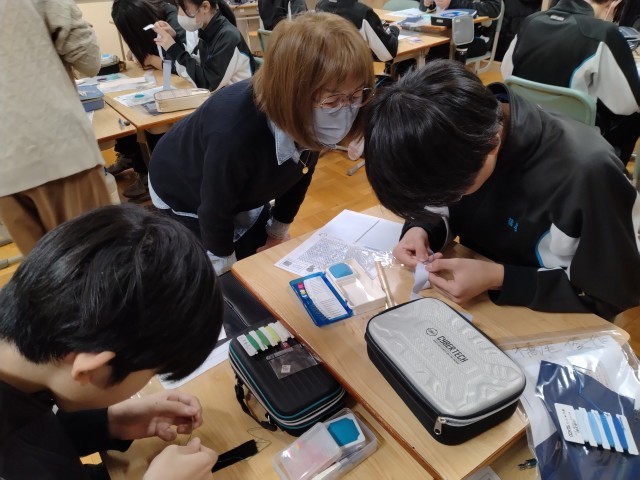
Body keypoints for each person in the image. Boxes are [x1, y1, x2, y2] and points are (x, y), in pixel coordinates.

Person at [364, 60, 640, 320]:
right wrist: (421, 229)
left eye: (452, 193)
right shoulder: (463, 133)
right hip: (474, 303)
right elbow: (442, 200)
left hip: (551, 318)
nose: (445, 200)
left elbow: (611, 293)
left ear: (492, 145)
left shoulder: (589, 174)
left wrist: (500, 278)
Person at [0, 205, 222, 479]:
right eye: (153, 373)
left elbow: (36, 436)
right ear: (91, 368)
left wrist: (108, 423)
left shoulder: (24, 370)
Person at [149, 12, 375, 275]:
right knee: (215, 269)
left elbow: (300, 172)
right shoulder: (234, 133)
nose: (345, 111)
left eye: (355, 97)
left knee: (263, 256)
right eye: (332, 101)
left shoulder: (307, 119)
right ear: (292, 94)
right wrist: (226, 267)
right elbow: (214, 208)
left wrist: (277, 232)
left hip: (234, 181)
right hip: (182, 187)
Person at [0, 0, 111, 255]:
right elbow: (89, 60)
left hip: (6, 172)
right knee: (101, 263)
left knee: (47, 273)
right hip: (57, 146)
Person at [501, 0, 640, 166]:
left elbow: (507, 74)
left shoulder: (530, 22)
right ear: (613, 4)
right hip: (574, 140)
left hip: (524, 128)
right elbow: (627, 105)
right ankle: (612, 171)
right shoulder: (604, 33)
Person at [109, 0, 189, 200]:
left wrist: (152, 59)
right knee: (124, 107)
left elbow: (184, 64)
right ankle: (134, 160)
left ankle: (156, 177)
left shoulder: (171, 19)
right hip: (163, 80)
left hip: (185, 86)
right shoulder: (149, 22)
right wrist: (139, 52)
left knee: (151, 120)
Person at [153, 0, 256, 92]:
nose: (179, 14)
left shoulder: (227, 36)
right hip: (224, 96)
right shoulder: (206, 31)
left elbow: (207, 84)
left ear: (205, 7)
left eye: (184, 7)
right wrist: (174, 39)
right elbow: (195, 63)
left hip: (239, 100)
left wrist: (173, 48)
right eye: (178, 6)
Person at [315, 0, 400, 63]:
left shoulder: (320, 6)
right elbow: (387, 54)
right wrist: (394, 30)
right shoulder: (363, 12)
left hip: (324, 69)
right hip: (354, 71)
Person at [421, 0, 502, 59]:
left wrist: (452, 3)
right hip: (441, 34)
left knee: (431, 53)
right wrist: (427, 3)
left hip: (474, 37)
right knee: (421, 50)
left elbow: (493, 9)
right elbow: (422, 8)